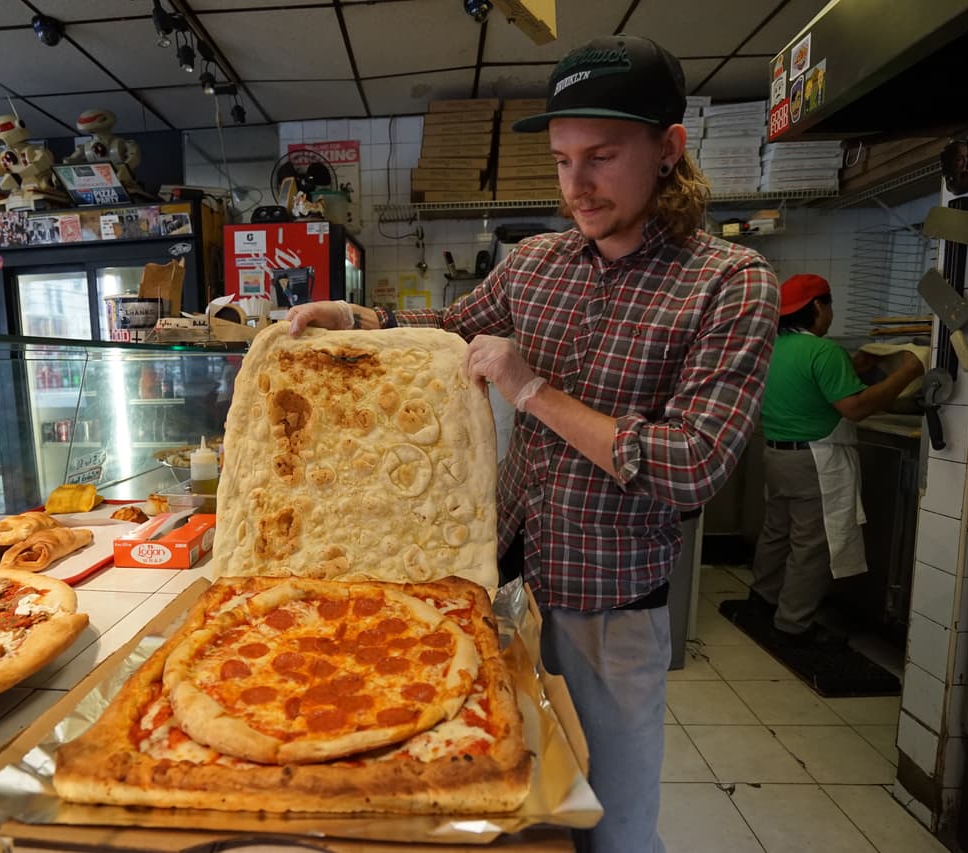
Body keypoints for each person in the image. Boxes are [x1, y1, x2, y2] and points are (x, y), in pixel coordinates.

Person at [285, 34, 780, 852]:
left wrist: (533, 392)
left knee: (610, 826)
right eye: (559, 161)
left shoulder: (730, 283)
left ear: (669, 148)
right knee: (504, 804)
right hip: (502, 575)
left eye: (602, 157)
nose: (576, 186)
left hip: (610, 605)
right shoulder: (539, 263)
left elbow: (692, 464)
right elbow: (447, 328)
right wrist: (360, 318)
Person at [743, 274, 925, 644]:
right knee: (812, 544)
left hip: (777, 455)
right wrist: (908, 371)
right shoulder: (823, 352)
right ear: (817, 307)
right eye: (828, 305)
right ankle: (794, 623)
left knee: (777, 533)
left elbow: (813, 384)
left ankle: (762, 600)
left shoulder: (771, 348)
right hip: (815, 460)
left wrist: (856, 367)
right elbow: (856, 408)